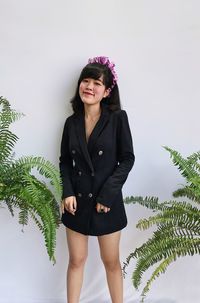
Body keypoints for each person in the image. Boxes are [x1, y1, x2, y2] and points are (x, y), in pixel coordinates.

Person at [59, 56, 135, 303]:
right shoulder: (71, 124)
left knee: (111, 261)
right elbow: (64, 162)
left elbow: (127, 159)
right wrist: (67, 191)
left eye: (97, 83)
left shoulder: (117, 119)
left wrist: (108, 195)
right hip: (77, 201)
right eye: (86, 80)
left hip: (107, 200)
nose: (89, 87)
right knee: (76, 260)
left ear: (106, 92)